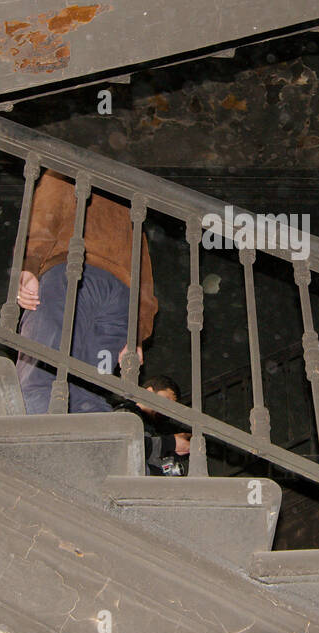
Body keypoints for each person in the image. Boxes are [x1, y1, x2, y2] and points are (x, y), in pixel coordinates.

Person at [14, 170, 158, 414]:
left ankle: (34, 436)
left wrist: (30, 267)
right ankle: (95, 437)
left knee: (39, 379)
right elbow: (143, 271)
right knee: (87, 391)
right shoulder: (129, 199)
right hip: (121, 299)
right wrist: (136, 334)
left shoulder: (66, 170)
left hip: (73, 276)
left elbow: (43, 221)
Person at [112, 375, 192, 476]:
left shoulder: (152, 428)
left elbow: (147, 458)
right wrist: (171, 443)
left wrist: (174, 452)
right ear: (149, 391)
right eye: (166, 400)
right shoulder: (126, 412)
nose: (166, 409)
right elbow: (124, 447)